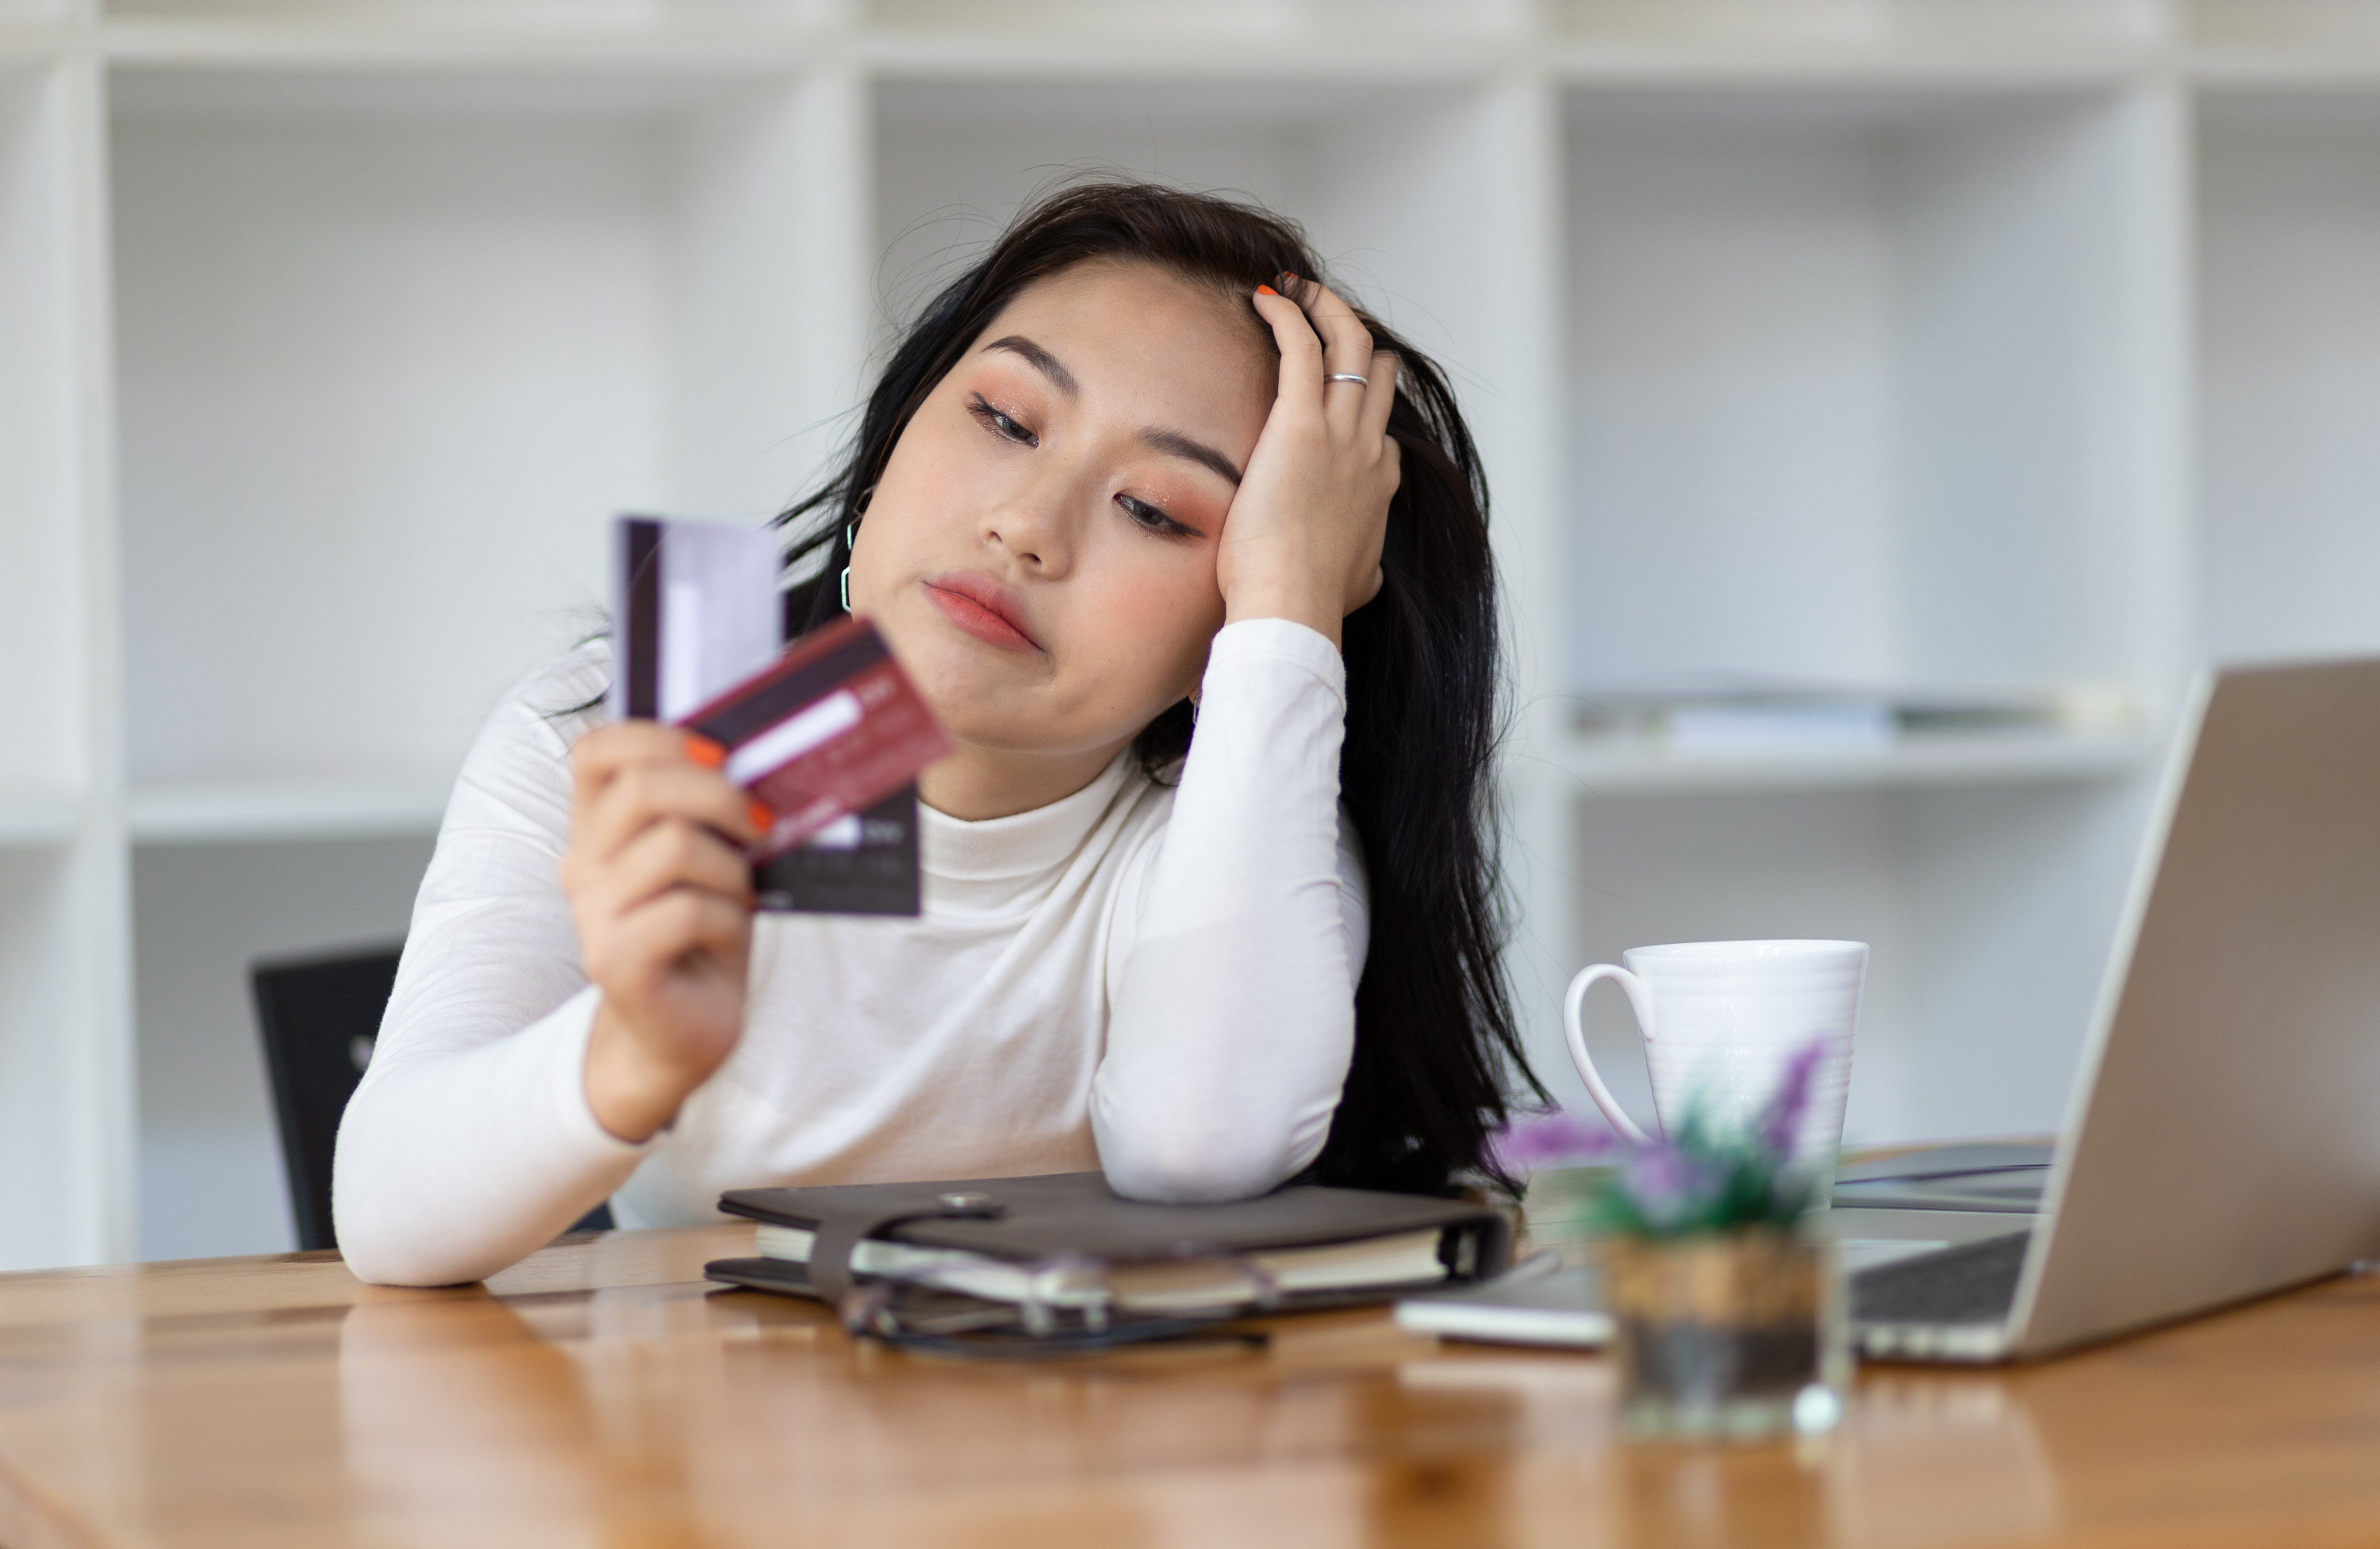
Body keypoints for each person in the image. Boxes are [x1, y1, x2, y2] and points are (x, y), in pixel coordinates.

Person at [333, 180, 1534, 1287]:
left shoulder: (1245, 830)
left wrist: (1288, 609)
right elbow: (385, 1208)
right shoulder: (617, 733)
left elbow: (1196, 1148)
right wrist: (632, 1051)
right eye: (1007, 419)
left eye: (1158, 511)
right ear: (894, 437)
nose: (1026, 524)